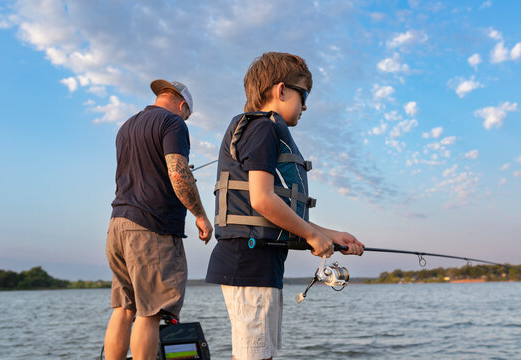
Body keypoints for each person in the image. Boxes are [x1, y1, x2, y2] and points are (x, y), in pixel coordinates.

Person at [206, 52, 365, 360]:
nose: (305, 106)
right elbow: (262, 199)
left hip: (262, 265)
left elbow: (279, 209)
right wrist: (312, 237)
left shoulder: (265, 130)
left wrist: (333, 235)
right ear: (281, 91)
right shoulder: (263, 128)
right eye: (303, 95)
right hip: (248, 263)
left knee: (262, 354)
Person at [104, 79, 213, 360]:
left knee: (124, 309)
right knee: (150, 312)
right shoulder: (174, 123)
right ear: (182, 105)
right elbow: (178, 174)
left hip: (118, 224)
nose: (185, 118)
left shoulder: (126, 126)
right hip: (151, 229)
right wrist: (200, 215)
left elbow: (151, 172)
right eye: (187, 114)